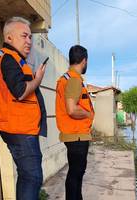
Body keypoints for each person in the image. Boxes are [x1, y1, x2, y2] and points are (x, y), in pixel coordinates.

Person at [0, 16, 47, 200]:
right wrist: (38, 79)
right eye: (24, 36)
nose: (29, 41)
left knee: (28, 177)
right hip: (19, 129)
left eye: (30, 37)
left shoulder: (13, 59)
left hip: (20, 128)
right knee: (32, 178)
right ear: (9, 38)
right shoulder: (9, 58)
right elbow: (20, 92)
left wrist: (32, 78)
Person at [55, 45, 94, 200]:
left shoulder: (66, 78)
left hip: (74, 134)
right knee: (76, 174)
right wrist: (88, 114)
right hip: (76, 135)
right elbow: (72, 109)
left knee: (75, 174)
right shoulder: (74, 80)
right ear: (84, 61)